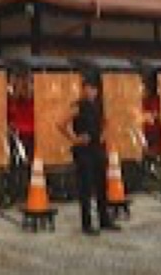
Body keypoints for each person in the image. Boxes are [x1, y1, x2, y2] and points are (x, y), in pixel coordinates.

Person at [59, 72, 121, 235]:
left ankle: (104, 219)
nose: (89, 91)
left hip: (97, 147)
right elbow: (60, 123)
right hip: (83, 150)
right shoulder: (78, 105)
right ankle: (86, 223)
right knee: (85, 187)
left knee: (102, 184)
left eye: (92, 88)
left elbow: (107, 121)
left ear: (97, 90)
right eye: (86, 88)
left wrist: (103, 135)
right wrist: (74, 138)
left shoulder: (99, 105)